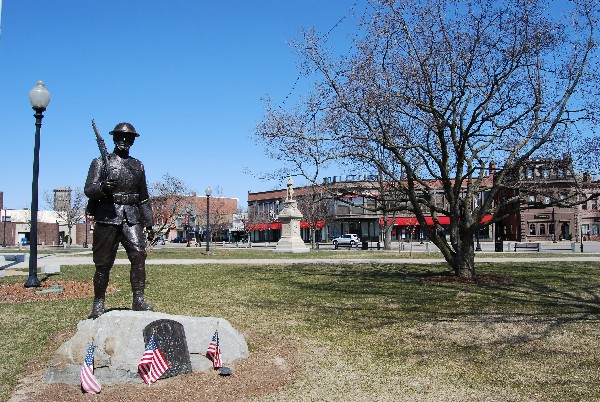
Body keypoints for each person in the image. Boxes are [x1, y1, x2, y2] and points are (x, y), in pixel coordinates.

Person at [85, 122, 154, 319]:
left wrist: (148, 222)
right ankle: (98, 302)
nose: (124, 140)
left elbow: (143, 197)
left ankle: (138, 299)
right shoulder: (100, 162)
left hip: (131, 216)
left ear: (133, 140)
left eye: (128, 138)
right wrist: (103, 187)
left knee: (139, 255)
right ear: (114, 139)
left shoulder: (137, 165)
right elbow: (89, 189)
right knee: (103, 263)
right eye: (120, 137)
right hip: (108, 216)